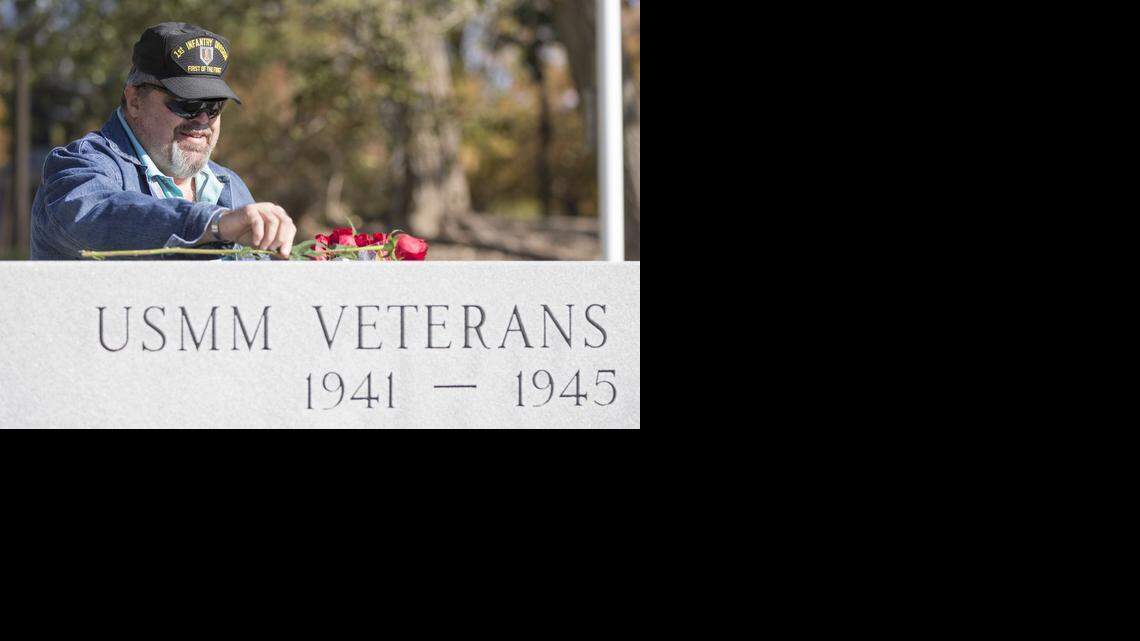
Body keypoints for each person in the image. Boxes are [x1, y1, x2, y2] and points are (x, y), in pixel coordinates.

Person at [30, 22, 296, 260]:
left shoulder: (229, 186)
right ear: (135, 101)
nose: (203, 119)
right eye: (188, 104)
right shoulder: (78, 165)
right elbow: (96, 214)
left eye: (214, 106)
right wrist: (213, 224)